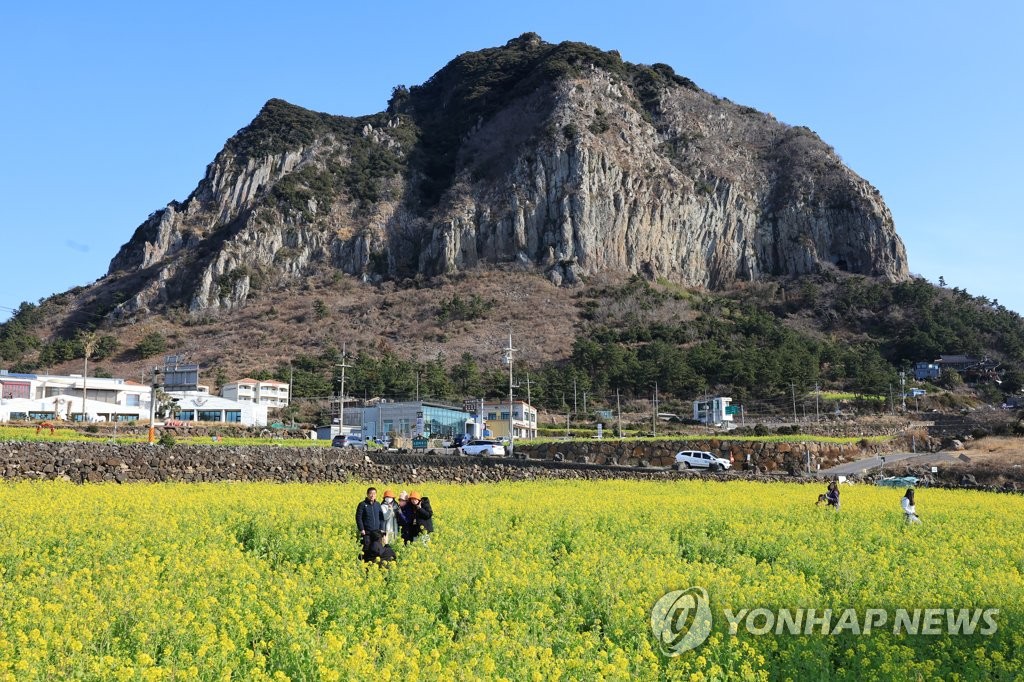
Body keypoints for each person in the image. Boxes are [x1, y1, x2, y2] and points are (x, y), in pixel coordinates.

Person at [355, 487, 385, 555]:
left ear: (376, 495)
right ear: (367, 494)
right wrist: (361, 529)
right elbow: (358, 517)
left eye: (374, 493)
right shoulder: (362, 504)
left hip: (377, 532)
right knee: (366, 549)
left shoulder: (377, 504)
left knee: (377, 549)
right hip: (367, 532)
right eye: (370, 493)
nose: (372, 495)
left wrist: (381, 529)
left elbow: (381, 518)